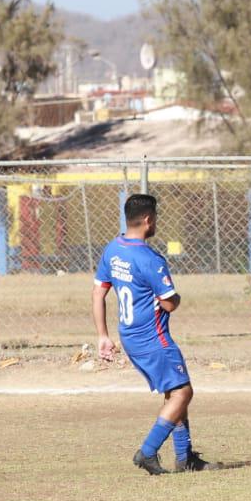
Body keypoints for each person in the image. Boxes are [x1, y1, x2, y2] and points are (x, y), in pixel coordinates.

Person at [94, 193, 215, 476]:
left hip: (130, 336)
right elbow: (169, 302)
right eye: (156, 218)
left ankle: (185, 459)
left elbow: (99, 291)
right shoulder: (150, 259)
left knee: (175, 391)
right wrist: (178, 298)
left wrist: (102, 334)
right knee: (184, 392)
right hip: (153, 337)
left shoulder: (113, 249)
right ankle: (147, 452)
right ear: (149, 220)